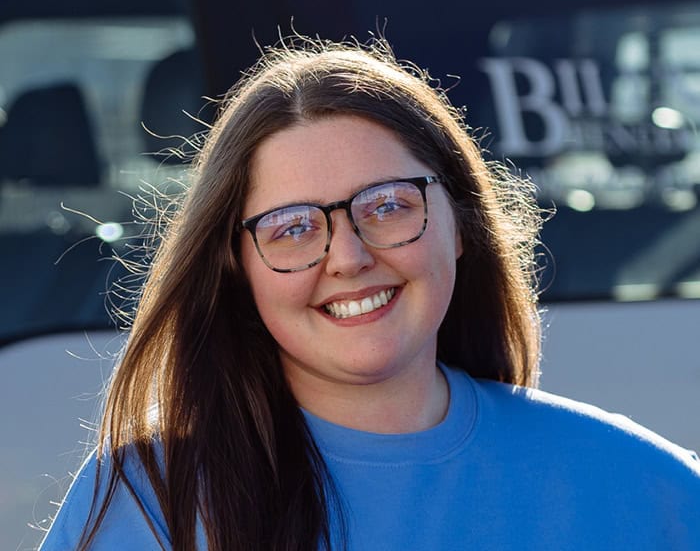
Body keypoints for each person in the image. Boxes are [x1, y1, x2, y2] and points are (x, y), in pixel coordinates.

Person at [40, 37, 700, 551]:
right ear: (237, 267)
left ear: (462, 224)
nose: (350, 257)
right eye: (293, 228)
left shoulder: (648, 488)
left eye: (387, 205)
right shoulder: (148, 503)